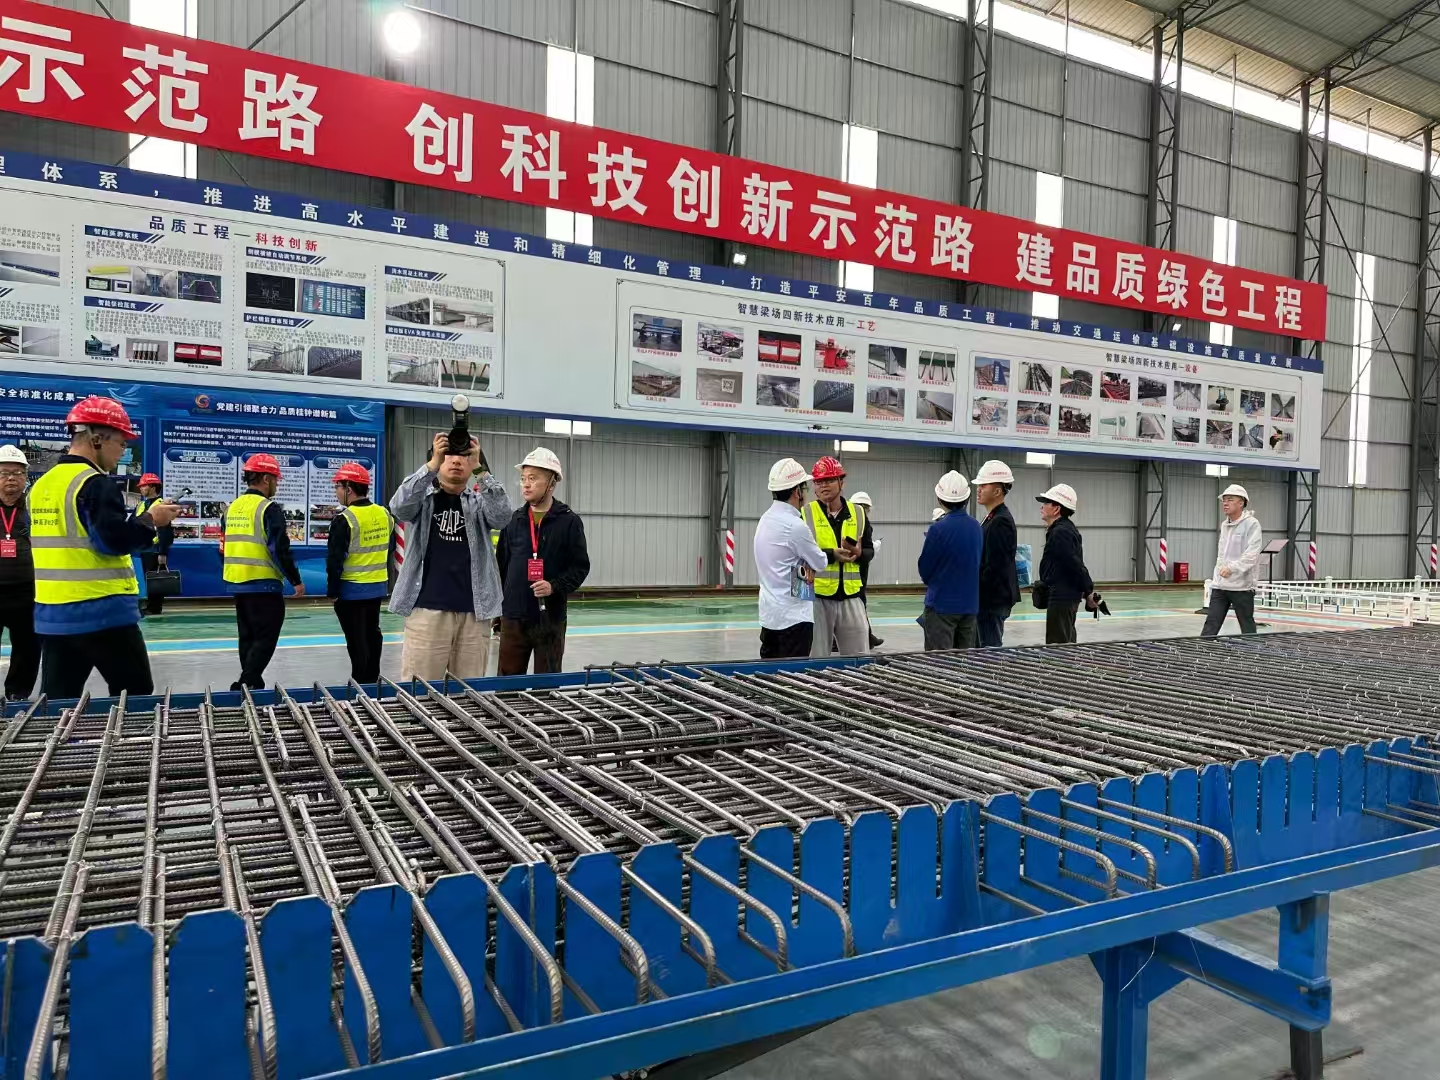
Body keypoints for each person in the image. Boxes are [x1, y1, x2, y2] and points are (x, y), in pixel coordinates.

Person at [31, 396, 180, 699]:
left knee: (59, 701)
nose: (123, 451)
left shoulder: (42, 485)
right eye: (122, 443)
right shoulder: (94, 483)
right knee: (134, 695)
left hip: (54, 614)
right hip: (102, 611)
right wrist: (152, 520)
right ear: (97, 439)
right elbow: (114, 542)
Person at [389, 432, 511, 681]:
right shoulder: (423, 500)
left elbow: (501, 517)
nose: (456, 460)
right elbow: (399, 507)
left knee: (468, 694)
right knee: (419, 691)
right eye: (448, 455)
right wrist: (431, 466)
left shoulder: (479, 504)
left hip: (475, 614)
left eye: (464, 456)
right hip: (426, 612)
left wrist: (481, 471)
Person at [496, 448, 589, 676]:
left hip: (551, 618)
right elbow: (501, 567)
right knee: (507, 685)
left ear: (552, 483)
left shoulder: (569, 521)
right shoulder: (513, 521)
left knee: (546, 685)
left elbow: (579, 567)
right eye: (523, 479)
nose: (526, 485)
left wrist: (554, 586)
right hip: (514, 617)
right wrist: (498, 611)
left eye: (533, 478)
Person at [223, 454, 304, 691]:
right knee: (267, 635)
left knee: (248, 635)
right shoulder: (268, 508)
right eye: (276, 479)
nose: (276, 485)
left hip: (238, 582)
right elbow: (279, 548)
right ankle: (247, 681)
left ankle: (252, 683)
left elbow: (224, 544)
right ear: (266, 479)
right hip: (264, 583)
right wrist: (295, 580)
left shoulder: (231, 508)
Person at [754, 458, 829, 658]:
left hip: (770, 617)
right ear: (797, 492)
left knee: (770, 672)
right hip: (794, 620)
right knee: (793, 673)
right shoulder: (795, 526)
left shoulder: (765, 520)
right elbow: (820, 562)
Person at [326, 462, 392, 684]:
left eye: (338, 486)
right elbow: (389, 547)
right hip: (376, 588)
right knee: (372, 634)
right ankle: (372, 681)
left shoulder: (344, 519)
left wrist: (333, 591)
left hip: (351, 590)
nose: (336, 491)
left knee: (356, 639)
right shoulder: (384, 514)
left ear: (349, 488)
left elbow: (335, 561)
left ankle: (360, 683)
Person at [805, 456, 873, 657]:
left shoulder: (858, 513)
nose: (823, 486)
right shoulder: (805, 514)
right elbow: (800, 555)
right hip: (816, 599)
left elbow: (869, 551)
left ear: (841, 482)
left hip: (851, 597)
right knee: (816, 658)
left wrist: (859, 554)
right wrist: (832, 555)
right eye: (819, 482)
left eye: (829, 480)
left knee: (859, 658)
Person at [918, 471, 983, 650]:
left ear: (939, 499)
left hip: (941, 606)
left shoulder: (937, 529)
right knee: (965, 661)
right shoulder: (976, 527)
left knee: (939, 662)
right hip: (969, 606)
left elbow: (925, 570)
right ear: (967, 498)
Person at [0, 446, 38, 699]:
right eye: (4, 473)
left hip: (28, 590)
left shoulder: (35, 508)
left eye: (17, 472)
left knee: (28, 647)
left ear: (26, 477)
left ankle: (17, 695)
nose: (11, 478)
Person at [1201, 483, 1263, 637]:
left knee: (1247, 625)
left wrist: (1232, 568)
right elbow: (1222, 553)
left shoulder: (1251, 524)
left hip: (1242, 586)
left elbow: (1252, 554)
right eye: (1224, 500)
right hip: (1221, 584)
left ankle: (1253, 650)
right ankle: (1203, 647)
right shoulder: (1225, 525)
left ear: (1241, 503)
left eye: (1230, 500)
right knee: (1211, 623)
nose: (1225, 503)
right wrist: (1219, 572)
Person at [1035, 483, 1093, 645]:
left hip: (1062, 597)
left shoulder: (1061, 532)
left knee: (1058, 645)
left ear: (1056, 509)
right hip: (1065, 595)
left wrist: (1089, 590)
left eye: (1046, 502)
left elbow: (1074, 564)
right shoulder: (1064, 529)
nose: (1041, 507)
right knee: (1065, 642)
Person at [973, 459, 1020, 647]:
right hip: (989, 598)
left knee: (989, 651)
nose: (978, 489)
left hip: (991, 600)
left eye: (983, 485)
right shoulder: (992, 518)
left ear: (997, 491)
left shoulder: (1000, 521)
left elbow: (995, 566)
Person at [850, 491, 884, 649]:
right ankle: (867, 637)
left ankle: (868, 636)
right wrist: (871, 550)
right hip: (856, 573)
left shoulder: (850, 522)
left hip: (854, 573)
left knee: (858, 605)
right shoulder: (863, 524)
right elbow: (866, 551)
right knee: (859, 605)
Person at [136, 472, 173, 615]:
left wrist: (163, 552)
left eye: (143, 486)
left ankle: (155, 607)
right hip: (144, 548)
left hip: (155, 549)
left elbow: (165, 531)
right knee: (149, 577)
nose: (140, 488)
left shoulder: (161, 505)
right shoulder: (142, 505)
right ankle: (150, 605)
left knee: (156, 578)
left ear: (152, 487)